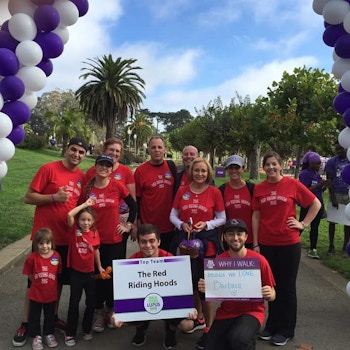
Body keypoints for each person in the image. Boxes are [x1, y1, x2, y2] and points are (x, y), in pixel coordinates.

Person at [13, 137, 88, 347]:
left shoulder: (81, 176)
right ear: (66, 149)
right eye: (74, 150)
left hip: (66, 240)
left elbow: (79, 206)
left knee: (56, 282)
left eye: (81, 152)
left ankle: (51, 320)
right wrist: (53, 198)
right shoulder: (49, 169)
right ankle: (26, 323)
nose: (77, 155)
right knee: (34, 282)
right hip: (44, 240)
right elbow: (29, 197)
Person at [252, 151, 321, 346]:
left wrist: (303, 223)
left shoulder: (292, 184)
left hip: (289, 244)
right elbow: (256, 216)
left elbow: (315, 203)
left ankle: (286, 329)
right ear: (263, 167)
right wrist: (256, 242)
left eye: (275, 164)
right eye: (268, 165)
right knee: (270, 286)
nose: (271, 168)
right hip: (266, 243)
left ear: (281, 165)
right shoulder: (259, 188)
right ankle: (271, 326)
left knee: (287, 287)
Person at [169, 157, 226, 350]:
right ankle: (198, 318)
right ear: (191, 172)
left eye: (203, 171)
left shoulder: (214, 192)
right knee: (191, 283)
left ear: (208, 173)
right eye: (196, 170)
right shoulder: (182, 191)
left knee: (205, 287)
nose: (200, 174)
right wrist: (181, 224)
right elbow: (173, 214)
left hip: (207, 244)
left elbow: (222, 218)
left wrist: (206, 224)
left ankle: (209, 327)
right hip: (185, 243)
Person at [112, 223, 198, 349]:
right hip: (143, 303)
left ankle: (170, 330)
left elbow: (180, 287)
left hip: (167, 303)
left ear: (159, 241)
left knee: (188, 325)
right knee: (117, 320)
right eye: (143, 242)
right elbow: (126, 290)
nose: (148, 245)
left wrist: (189, 307)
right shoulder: (131, 261)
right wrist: (118, 312)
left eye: (152, 241)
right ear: (139, 243)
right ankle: (141, 327)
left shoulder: (171, 259)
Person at [198, 218, 276, 350]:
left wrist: (269, 293)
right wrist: (205, 288)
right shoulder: (219, 262)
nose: (235, 238)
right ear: (224, 237)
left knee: (239, 339)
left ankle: (248, 342)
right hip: (226, 312)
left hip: (252, 312)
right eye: (230, 234)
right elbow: (213, 291)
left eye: (239, 233)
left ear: (246, 237)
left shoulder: (259, 261)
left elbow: (273, 294)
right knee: (210, 345)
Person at [81, 154, 138, 333]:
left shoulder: (117, 186)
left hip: (114, 240)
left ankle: (113, 308)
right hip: (93, 240)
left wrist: (128, 224)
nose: (104, 168)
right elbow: (79, 211)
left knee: (113, 276)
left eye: (108, 166)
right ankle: (99, 310)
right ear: (95, 166)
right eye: (101, 165)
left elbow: (133, 205)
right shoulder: (88, 188)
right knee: (97, 276)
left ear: (112, 169)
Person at [64, 198, 104, 346]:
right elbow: (69, 215)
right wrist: (85, 205)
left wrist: (99, 267)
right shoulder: (74, 230)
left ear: (93, 221)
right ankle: (70, 334)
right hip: (76, 274)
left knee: (91, 303)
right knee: (73, 303)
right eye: (82, 220)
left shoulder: (95, 233)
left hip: (90, 274)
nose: (85, 223)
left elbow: (96, 251)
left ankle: (87, 329)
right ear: (78, 221)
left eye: (89, 220)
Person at [85, 138, 136, 251]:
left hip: (117, 224)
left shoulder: (124, 175)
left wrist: (130, 225)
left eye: (117, 151)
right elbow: (82, 204)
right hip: (93, 228)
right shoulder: (91, 173)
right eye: (111, 150)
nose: (114, 153)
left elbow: (133, 202)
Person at [134, 135, 177, 251]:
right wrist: (135, 224)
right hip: (148, 228)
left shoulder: (172, 167)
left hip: (169, 226)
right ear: (148, 150)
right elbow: (136, 200)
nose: (157, 150)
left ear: (165, 149)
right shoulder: (140, 171)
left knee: (168, 261)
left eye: (159, 147)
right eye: (153, 147)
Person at [22, 228, 62, 350]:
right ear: (36, 244)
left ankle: (48, 334)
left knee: (50, 316)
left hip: (50, 295)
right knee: (34, 316)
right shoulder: (32, 258)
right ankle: (36, 336)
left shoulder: (56, 256)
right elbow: (29, 274)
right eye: (41, 243)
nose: (44, 246)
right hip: (36, 295)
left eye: (47, 243)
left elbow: (57, 273)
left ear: (52, 243)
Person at [219, 155, 255, 249]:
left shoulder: (252, 189)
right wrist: (220, 238)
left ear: (243, 169)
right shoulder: (222, 190)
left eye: (237, 167)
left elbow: (258, 215)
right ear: (227, 169)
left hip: (249, 238)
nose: (234, 171)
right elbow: (219, 217)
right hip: (230, 239)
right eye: (231, 168)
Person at [299, 151, 329, 259]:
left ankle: (313, 249)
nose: (318, 165)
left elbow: (319, 190)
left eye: (319, 163)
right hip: (307, 205)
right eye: (316, 163)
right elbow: (304, 190)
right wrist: (318, 185)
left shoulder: (316, 174)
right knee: (301, 225)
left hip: (317, 205)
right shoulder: (304, 174)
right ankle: (290, 242)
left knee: (315, 227)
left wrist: (324, 186)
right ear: (310, 163)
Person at [324, 142, 350, 254]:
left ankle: (345, 245)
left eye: (341, 149)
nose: (339, 151)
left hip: (348, 194)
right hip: (336, 193)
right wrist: (333, 196)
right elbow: (329, 180)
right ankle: (331, 246)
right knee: (332, 221)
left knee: (347, 222)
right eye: (337, 149)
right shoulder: (331, 162)